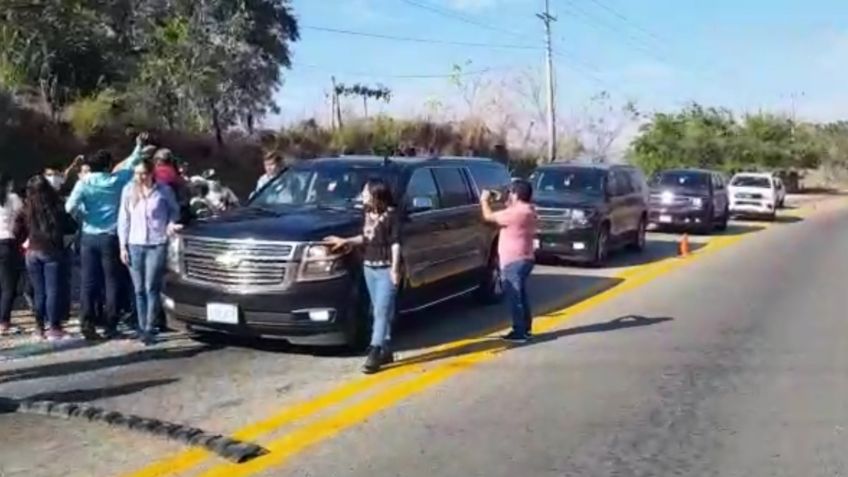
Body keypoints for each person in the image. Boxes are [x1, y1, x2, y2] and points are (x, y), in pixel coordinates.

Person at [65, 133, 148, 340]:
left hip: (89, 236)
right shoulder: (118, 181)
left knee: (88, 281)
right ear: (108, 165)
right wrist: (138, 147)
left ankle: (87, 322)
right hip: (111, 236)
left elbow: (69, 207)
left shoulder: (84, 183)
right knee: (112, 281)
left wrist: (84, 216)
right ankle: (111, 324)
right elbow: (132, 163)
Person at [325, 178, 401, 374]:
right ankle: (386, 347)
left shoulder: (392, 216)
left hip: (386, 268)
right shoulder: (368, 214)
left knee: (381, 312)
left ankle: (374, 351)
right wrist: (345, 240)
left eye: (366, 192)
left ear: (376, 195)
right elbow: (366, 237)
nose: (363, 196)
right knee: (377, 308)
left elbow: (395, 243)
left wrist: (395, 268)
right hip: (369, 267)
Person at [118, 158, 181, 345]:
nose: (140, 177)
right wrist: (122, 246)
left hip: (156, 242)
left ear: (151, 173)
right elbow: (124, 219)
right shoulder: (128, 191)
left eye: (144, 173)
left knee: (150, 287)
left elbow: (174, 210)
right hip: (134, 243)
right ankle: (141, 324)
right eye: (137, 173)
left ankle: (149, 327)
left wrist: (170, 224)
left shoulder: (163, 190)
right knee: (138, 289)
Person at [17, 176, 77, 340]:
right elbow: (71, 226)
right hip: (51, 250)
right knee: (53, 291)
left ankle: (39, 327)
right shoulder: (56, 207)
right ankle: (54, 327)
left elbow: (17, 230)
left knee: (39, 292)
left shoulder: (26, 208)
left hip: (32, 251)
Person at [479, 180, 538, 343]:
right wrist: (500, 199)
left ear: (516, 194)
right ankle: (525, 329)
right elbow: (509, 208)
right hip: (525, 258)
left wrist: (484, 200)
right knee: (521, 295)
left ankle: (519, 331)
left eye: (511, 192)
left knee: (515, 297)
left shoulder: (515, 214)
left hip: (514, 260)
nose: (509, 195)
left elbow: (488, 217)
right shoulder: (528, 210)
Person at [0, 173, 23, 336]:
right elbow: (23, 216)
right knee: (9, 286)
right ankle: (4, 321)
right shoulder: (13, 198)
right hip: (7, 242)